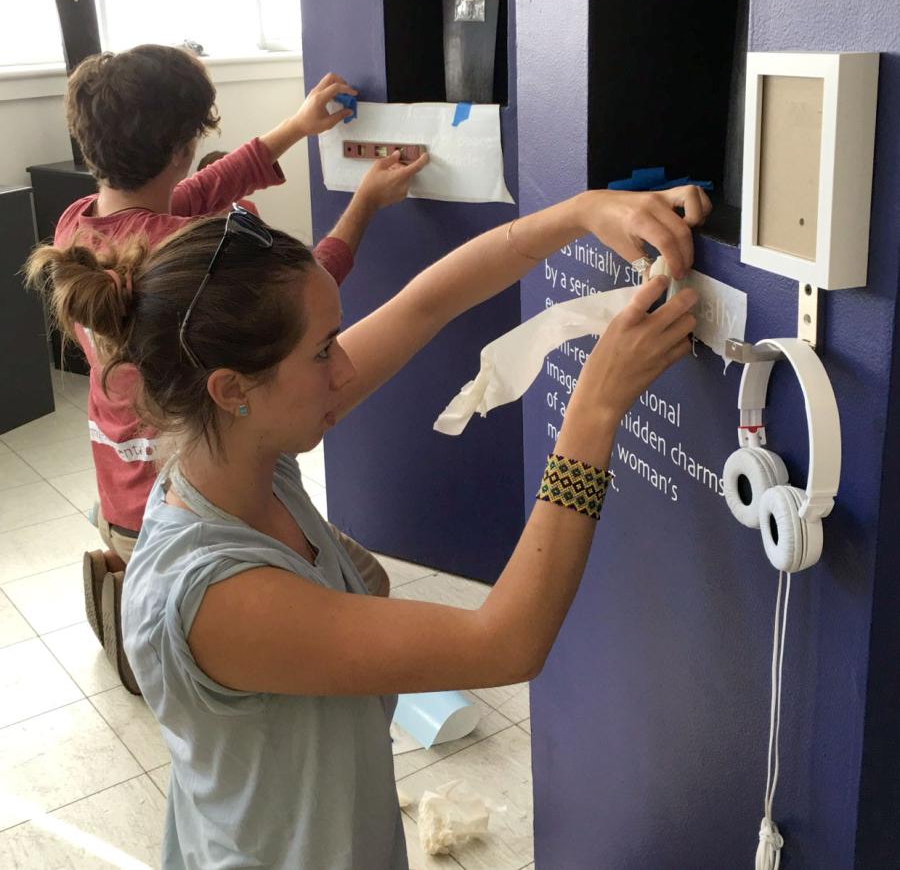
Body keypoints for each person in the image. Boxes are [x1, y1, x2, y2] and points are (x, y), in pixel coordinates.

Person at [26, 183, 710, 868]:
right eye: (324, 351)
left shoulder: (238, 454)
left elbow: (427, 302)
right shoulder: (218, 598)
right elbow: (506, 641)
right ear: (232, 389)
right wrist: (592, 412)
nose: (345, 366)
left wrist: (580, 212)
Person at [54, 43, 427, 690]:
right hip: (195, 502)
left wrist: (296, 127)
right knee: (363, 582)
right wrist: (365, 202)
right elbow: (296, 304)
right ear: (180, 146)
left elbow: (194, 193)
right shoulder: (184, 247)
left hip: (123, 495)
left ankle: (150, 614)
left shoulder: (79, 228)